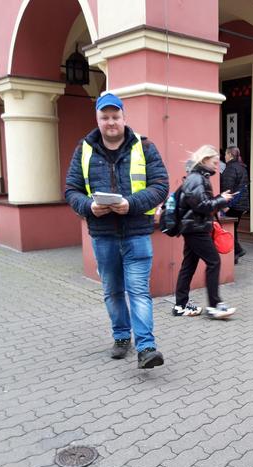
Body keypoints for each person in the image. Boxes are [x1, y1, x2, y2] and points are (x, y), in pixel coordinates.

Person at [65, 93, 169, 369]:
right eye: (105, 117)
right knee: (112, 291)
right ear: (98, 119)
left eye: (115, 116)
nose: (111, 122)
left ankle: (146, 347)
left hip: (136, 232)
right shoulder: (84, 149)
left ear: (124, 117)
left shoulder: (144, 147)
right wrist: (88, 206)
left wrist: (131, 204)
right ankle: (122, 337)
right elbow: (71, 190)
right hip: (103, 235)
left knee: (138, 291)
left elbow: (161, 185)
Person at [172, 145, 237, 319]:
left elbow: (202, 202)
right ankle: (214, 306)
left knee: (189, 265)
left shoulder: (198, 177)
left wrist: (219, 198)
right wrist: (221, 200)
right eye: (215, 162)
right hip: (196, 228)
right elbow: (201, 206)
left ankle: (181, 305)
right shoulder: (196, 178)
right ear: (204, 160)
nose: (217, 166)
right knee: (214, 262)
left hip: (194, 227)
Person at [220, 146, 250, 263]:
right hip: (241, 204)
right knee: (234, 229)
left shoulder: (230, 169)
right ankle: (235, 256)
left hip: (233, 204)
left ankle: (238, 250)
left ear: (230, 155)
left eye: (226, 154)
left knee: (229, 230)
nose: (224, 156)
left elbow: (228, 189)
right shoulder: (242, 167)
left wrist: (225, 205)